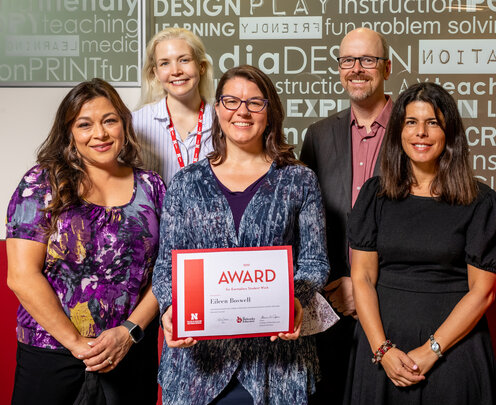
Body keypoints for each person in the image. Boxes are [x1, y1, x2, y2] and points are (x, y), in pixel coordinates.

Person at [152, 65, 330, 405]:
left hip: (277, 364)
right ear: (217, 109)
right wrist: (170, 309)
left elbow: (315, 261)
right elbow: (165, 269)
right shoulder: (186, 183)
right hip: (198, 366)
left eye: (254, 102)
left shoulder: (299, 180)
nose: (242, 111)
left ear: (270, 111)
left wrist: (295, 300)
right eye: (231, 101)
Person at [348, 82, 496, 404]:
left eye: (432, 123)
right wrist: (382, 349)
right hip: (382, 347)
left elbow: (483, 292)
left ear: (449, 133)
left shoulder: (481, 202)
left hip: (454, 352)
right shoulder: (374, 195)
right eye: (411, 122)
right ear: (398, 132)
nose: (420, 133)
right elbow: (362, 277)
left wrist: (432, 349)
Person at [6, 78, 165, 404]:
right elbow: (22, 275)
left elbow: (166, 271)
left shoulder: (153, 188)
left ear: (123, 124)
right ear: (69, 133)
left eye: (110, 120)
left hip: (129, 353)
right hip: (51, 354)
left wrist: (128, 333)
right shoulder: (41, 183)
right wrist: (77, 343)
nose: (101, 134)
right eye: (85, 124)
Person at [300, 27, 392, 404]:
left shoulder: (413, 128)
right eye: (348, 61)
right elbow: (306, 223)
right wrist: (337, 285)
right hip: (331, 304)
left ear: (387, 68)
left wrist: (368, 287)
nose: (357, 69)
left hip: (392, 302)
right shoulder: (318, 135)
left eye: (368, 60)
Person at [133, 27, 214, 183]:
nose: (175, 71)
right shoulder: (136, 123)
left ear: (201, 66)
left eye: (184, 60)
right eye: (165, 63)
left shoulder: (223, 121)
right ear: (156, 73)